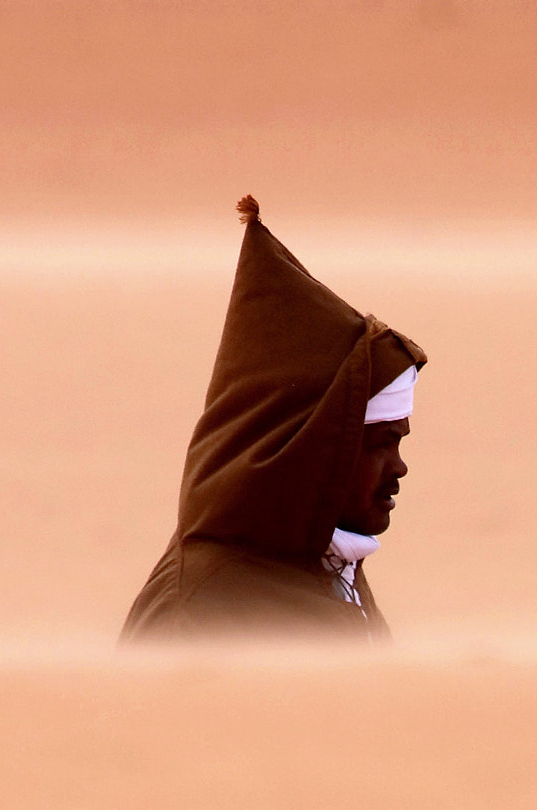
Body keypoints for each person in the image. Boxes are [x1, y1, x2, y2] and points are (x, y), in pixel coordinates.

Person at [121, 196, 426, 642]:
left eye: (398, 443)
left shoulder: (328, 563)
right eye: (380, 443)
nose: (399, 467)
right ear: (311, 450)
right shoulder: (200, 605)